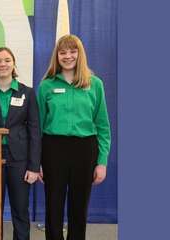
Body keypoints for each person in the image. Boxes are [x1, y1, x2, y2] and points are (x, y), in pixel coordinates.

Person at [36, 34, 111, 240]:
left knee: (79, 206)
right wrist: (38, 162)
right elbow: (38, 128)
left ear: (80, 54)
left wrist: (101, 162)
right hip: (53, 150)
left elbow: (103, 127)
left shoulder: (95, 84)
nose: (67, 56)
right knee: (54, 205)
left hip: (85, 150)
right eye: (62, 52)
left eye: (72, 51)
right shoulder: (46, 86)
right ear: (57, 56)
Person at [0, 47, 41, 240]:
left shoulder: (27, 93)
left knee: (20, 208)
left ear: (13, 64)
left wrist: (34, 166)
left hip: (19, 159)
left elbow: (35, 130)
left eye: (6, 60)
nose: (2, 64)